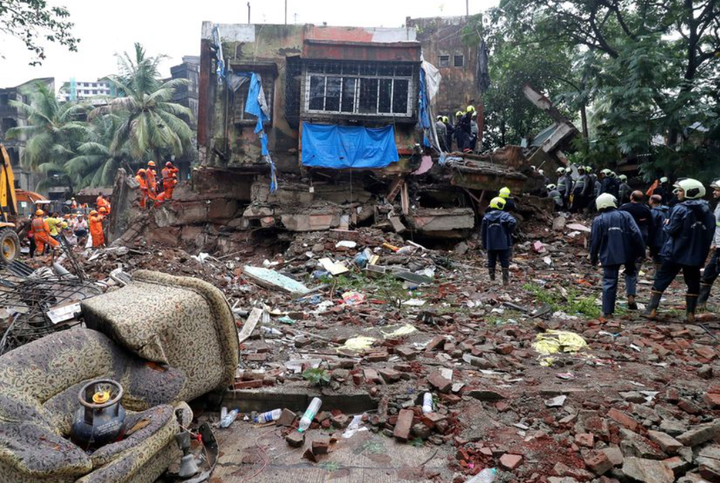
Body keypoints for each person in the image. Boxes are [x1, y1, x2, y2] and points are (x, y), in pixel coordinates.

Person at [644, 179, 715, 322]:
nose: (678, 193)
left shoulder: (680, 208)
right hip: (696, 254)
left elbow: (671, 230)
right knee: (693, 282)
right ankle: (690, 314)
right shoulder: (708, 210)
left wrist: (666, 224)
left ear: (690, 192)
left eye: (681, 190)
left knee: (662, 279)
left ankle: (651, 310)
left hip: (676, 252)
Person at [590, 193, 645, 316]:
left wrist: (593, 257)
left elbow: (594, 241)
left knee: (609, 281)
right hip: (628, 252)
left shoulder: (598, 220)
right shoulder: (625, 215)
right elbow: (636, 233)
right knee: (631, 273)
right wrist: (641, 252)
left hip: (609, 254)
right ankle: (631, 296)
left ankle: (607, 311)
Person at [481, 196, 517, 285]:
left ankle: (492, 279)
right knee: (504, 261)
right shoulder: (504, 215)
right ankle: (505, 281)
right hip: (503, 243)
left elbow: (483, 232)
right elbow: (513, 221)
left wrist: (484, 244)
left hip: (491, 244)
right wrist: (509, 230)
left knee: (491, 261)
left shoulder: (486, 217)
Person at [698, 179, 720, 310]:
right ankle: (700, 303)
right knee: (708, 274)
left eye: (717, 190)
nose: (714, 192)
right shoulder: (718, 205)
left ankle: (700, 303)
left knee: (710, 273)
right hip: (718, 246)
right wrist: (713, 242)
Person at [648, 194, 670, 271]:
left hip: (656, 237)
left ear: (652, 201)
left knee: (657, 256)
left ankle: (658, 273)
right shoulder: (667, 210)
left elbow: (651, 226)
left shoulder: (653, 212)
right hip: (666, 236)